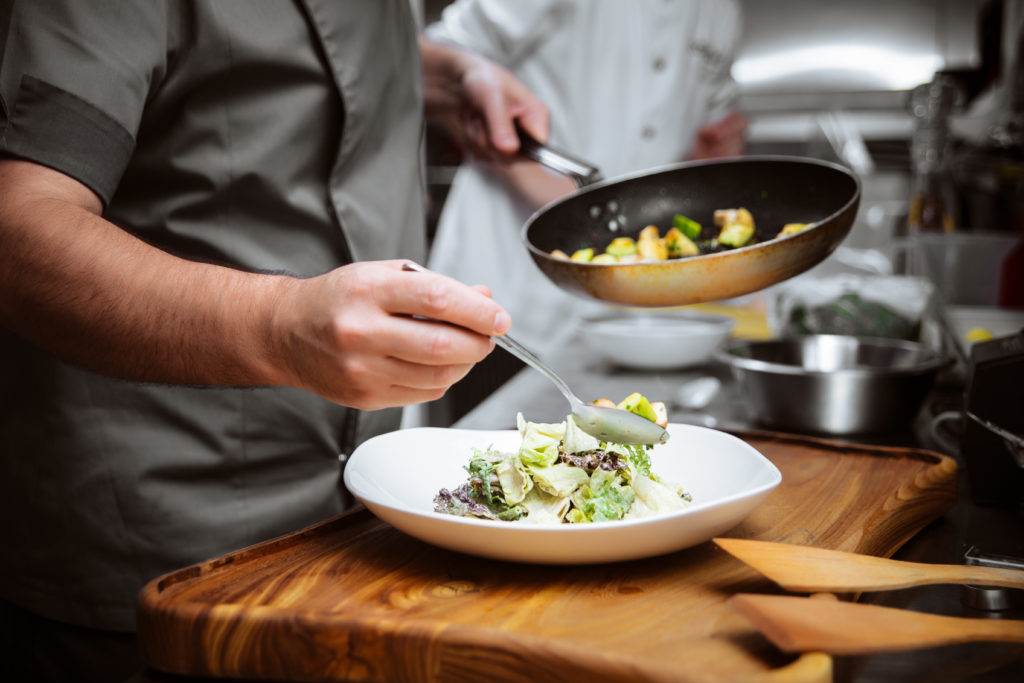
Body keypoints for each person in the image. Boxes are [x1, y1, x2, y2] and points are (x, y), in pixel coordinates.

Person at [0, 1, 549, 679]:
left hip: (357, 522)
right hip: (165, 546)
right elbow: (17, 234)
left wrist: (448, 76)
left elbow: (314, 56)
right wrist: (279, 325)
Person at [425, 0, 748, 358]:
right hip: (509, 286)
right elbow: (436, 72)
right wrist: (553, 190)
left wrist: (702, 157)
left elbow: (706, 123)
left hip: (635, 311)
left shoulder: (724, 10)